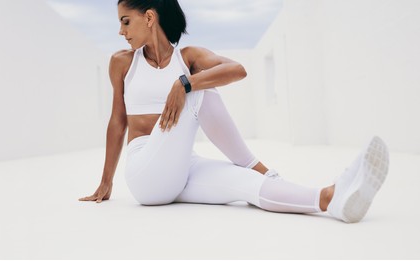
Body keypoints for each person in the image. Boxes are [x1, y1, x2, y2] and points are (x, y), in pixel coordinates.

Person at [79, 0, 390, 223]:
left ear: (148, 17)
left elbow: (237, 69)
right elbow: (117, 122)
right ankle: (261, 167)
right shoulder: (122, 62)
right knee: (199, 95)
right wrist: (106, 183)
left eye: (125, 21)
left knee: (244, 184)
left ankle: (330, 198)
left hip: (182, 168)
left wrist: (185, 81)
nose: (121, 32)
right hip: (144, 173)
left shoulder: (187, 57)